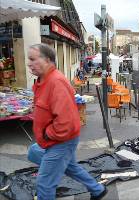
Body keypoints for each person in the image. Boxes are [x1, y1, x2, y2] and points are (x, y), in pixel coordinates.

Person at [26, 44, 106, 200]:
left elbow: (66, 122)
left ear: (47, 60)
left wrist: (48, 134)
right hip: (53, 140)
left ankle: (54, 172)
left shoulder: (56, 82)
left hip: (60, 141)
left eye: (32, 59)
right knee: (64, 165)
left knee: (45, 182)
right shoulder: (43, 80)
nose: (29, 63)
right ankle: (97, 189)